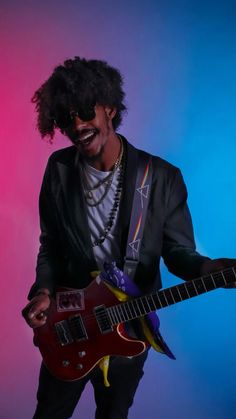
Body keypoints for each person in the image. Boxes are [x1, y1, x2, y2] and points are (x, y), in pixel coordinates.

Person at [22, 57, 235, 419]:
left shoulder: (163, 178)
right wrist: (43, 292)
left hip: (129, 328)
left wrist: (208, 267)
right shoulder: (58, 170)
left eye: (86, 111)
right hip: (70, 328)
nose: (77, 124)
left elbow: (177, 252)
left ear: (110, 109)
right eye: (66, 117)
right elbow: (51, 246)